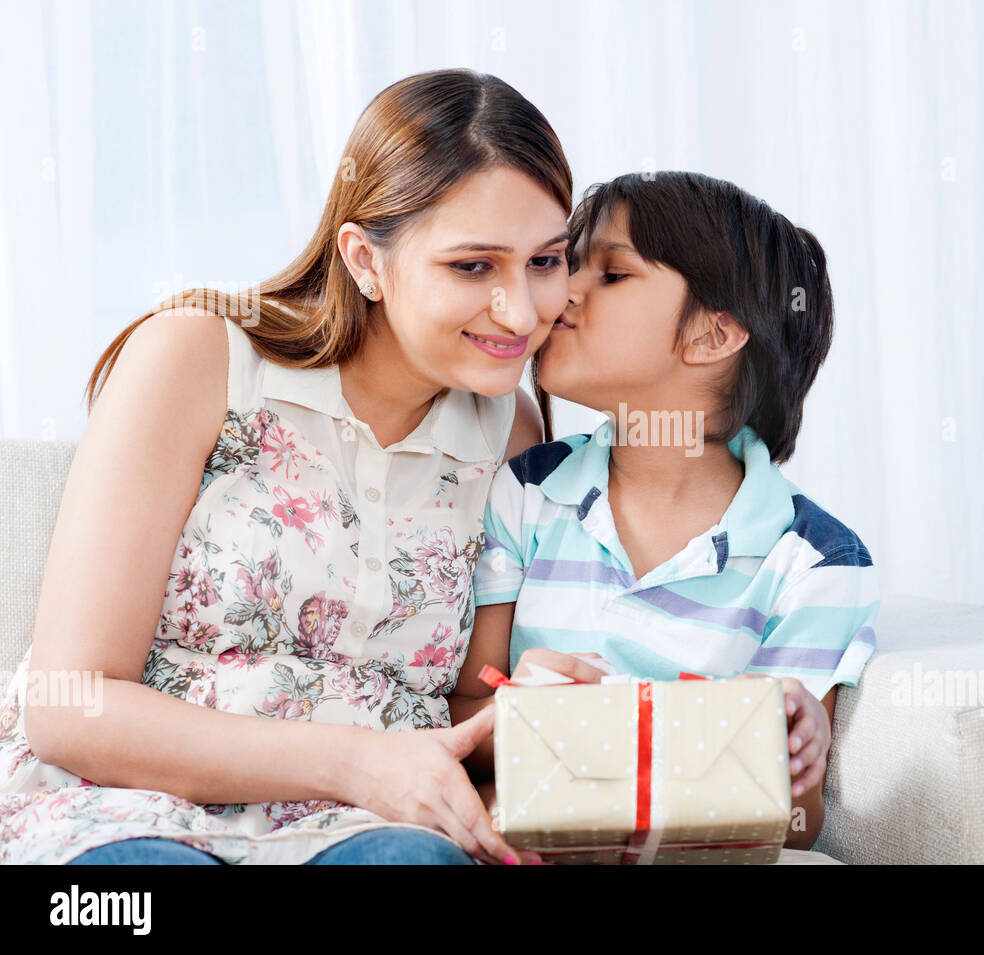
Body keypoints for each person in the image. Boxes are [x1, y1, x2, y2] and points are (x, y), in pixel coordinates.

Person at [0, 69, 574, 865]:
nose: (522, 311)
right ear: (365, 261)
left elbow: (466, 704)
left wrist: (540, 717)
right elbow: (69, 705)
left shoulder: (507, 428)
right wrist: (356, 758)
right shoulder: (197, 356)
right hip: (129, 805)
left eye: (546, 260)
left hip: (368, 828)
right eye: (473, 266)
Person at [450, 172, 880, 851]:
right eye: (570, 264)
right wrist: (520, 713)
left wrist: (791, 743)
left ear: (713, 336)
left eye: (612, 273)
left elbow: (799, 820)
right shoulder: (527, 491)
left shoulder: (818, 561)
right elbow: (462, 718)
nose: (561, 291)